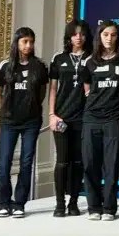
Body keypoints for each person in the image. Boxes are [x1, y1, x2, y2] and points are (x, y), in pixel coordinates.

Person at [0, 27, 49, 218]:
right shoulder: (5, 65)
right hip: (9, 121)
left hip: (31, 122)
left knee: (26, 162)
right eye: (25, 41)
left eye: (31, 42)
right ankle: (4, 202)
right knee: (4, 162)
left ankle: (19, 203)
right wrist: (6, 109)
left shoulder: (39, 67)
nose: (28, 45)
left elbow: (42, 91)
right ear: (17, 42)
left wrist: (31, 107)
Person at [80, 20, 119, 221]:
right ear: (99, 37)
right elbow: (87, 89)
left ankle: (109, 208)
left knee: (111, 165)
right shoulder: (90, 61)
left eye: (113, 34)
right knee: (91, 163)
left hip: (113, 119)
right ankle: (94, 206)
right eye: (105, 35)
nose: (109, 38)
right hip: (91, 118)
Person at [48, 19, 92, 217]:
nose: (78, 37)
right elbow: (53, 89)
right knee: (62, 161)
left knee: (78, 162)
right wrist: (51, 114)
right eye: (75, 34)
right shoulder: (58, 58)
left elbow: (90, 90)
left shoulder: (92, 58)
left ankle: (73, 201)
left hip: (83, 117)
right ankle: (59, 203)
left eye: (82, 34)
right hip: (61, 116)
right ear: (69, 36)